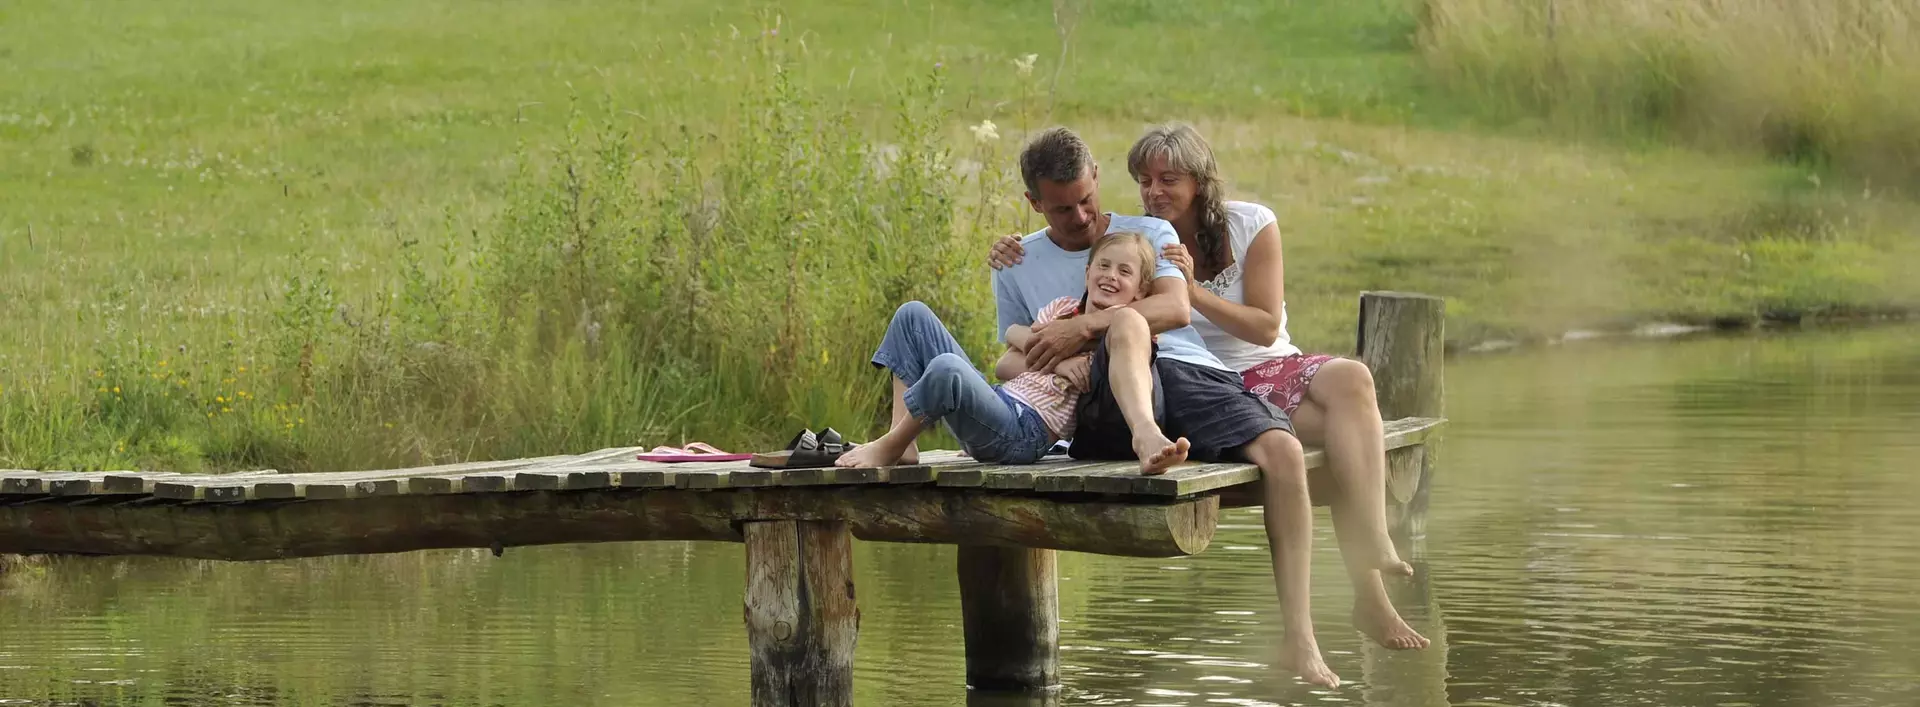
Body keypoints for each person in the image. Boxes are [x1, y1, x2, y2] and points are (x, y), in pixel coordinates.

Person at [988, 123, 1432, 652]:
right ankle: (1365, 578)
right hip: (1146, 389)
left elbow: (1187, 310)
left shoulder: (1149, 235)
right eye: (1063, 209)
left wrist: (1085, 326)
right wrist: (1061, 359)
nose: (1081, 217)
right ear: (1034, 204)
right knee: (1336, 435)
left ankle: (1366, 576)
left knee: (1346, 404)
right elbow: (1010, 356)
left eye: (1087, 200)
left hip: (1219, 374)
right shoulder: (1023, 260)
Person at [837, 232, 1191, 475]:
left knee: (947, 369)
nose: (1110, 276)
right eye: (1104, 265)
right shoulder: (1062, 310)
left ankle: (889, 446)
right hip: (1000, 401)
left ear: (1141, 289)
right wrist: (1062, 362)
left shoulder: (1126, 333)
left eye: (1124, 271)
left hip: (1026, 432)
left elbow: (1120, 361)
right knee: (912, 315)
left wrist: (1043, 350)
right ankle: (904, 441)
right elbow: (1005, 364)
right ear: (1087, 272)